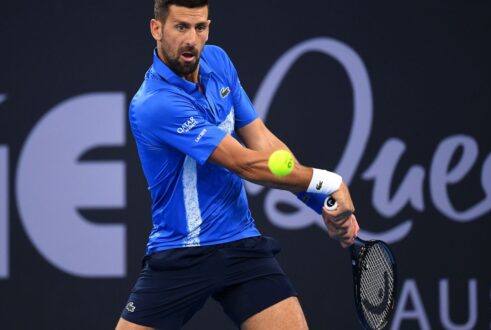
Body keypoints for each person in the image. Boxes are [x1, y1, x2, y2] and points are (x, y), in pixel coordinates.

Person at [116, 1, 360, 329]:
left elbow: (263, 142)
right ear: (156, 29)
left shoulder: (217, 61)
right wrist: (327, 182)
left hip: (240, 242)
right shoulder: (154, 104)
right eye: (181, 27)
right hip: (181, 253)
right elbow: (244, 163)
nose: (191, 39)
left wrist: (318, 200)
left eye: (200, 27)